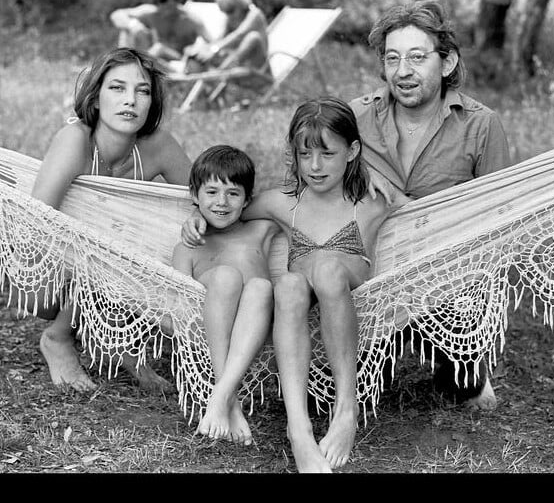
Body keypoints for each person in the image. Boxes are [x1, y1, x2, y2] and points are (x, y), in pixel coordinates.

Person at [182, 97, 403, 472]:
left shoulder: (371, 200)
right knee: (287, 285)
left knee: (330, 272)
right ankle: (298, 428)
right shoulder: (283, 203)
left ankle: (345, 411)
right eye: (304, 154)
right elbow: (224, 207)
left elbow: (427, 212)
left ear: (352, 152)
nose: (315, 166)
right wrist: (192, 216)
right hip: (300, 297)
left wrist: (377, 176)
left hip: (344, 285)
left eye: (328, 154)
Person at [349, 0, 512, 410]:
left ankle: (460, 358)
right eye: (392, 58)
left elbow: (501, 219)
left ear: (447, 61)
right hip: (371, 276)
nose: (403, 71)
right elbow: (304, 178)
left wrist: (405, 204)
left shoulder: (480, 124)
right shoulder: (355, 117)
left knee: (468, 395)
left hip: (450, 279)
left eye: (417, 57)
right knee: (355, 391)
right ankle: (373, 350)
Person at [10, 47, 192, 393]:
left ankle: (117, 340)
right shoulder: (75, 140)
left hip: (103, 275)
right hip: (39, 275)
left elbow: (203, 199)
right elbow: (36, 221)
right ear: (95, 99)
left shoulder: (158, 146)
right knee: (109, 230)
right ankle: (58, 338)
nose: (131, 101)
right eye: (117, 88)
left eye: (142, 91)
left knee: (159, 234)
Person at [172, 145, 279, 446]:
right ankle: (228, 397)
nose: (222, 202)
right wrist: (195, 214)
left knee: (260, 286)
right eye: (212, 193)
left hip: (257, 325)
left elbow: (297, 199)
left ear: (247, 200)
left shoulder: (262, 230)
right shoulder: (188, 248)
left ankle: (219, 397)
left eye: (233, 193)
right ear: (194, 195)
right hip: (210, 329)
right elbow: (179, 306)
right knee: (227, 276)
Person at [110, 0, 213, 70]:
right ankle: (126, 63)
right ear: (158, 5)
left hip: (179, 61)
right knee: (129, 30)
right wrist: (133, 25)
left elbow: (213, 42)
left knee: (158, 48)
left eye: (172, 6)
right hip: (155, 59)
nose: (169, 11)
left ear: (176, 1)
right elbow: (117, 14)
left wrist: (205, 50)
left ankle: (137, 66)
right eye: (165, 7)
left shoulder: (190, 20)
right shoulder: (152, 14)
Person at [185, 0, 271, 90]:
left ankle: (219, 73)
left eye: (230, 10)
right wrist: (203, 50)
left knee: (253, 37)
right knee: (202, 49)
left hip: (257, 66)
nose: (230, 15)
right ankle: (207, 76)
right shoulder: (230, 19)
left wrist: (215, 50)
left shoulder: (254, 14)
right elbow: (220, 40)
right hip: (237, 63)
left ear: (239, 3)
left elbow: (239, 34)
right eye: (225, 12)